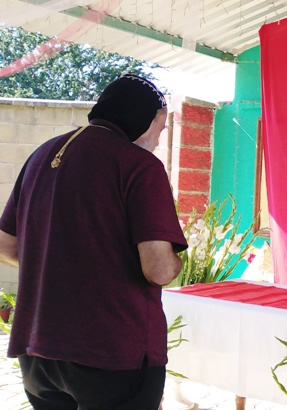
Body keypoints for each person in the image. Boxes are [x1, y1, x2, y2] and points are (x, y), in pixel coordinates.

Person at [0, 73, 187, 409]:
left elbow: (6, 246)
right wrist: (177, 260)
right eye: (161, 127)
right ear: (151, 118)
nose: (159, 138)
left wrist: (62, 264)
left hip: (39, 349)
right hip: (111, 352)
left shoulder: (42, 156)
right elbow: (158, 269)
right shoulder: (140, 166)